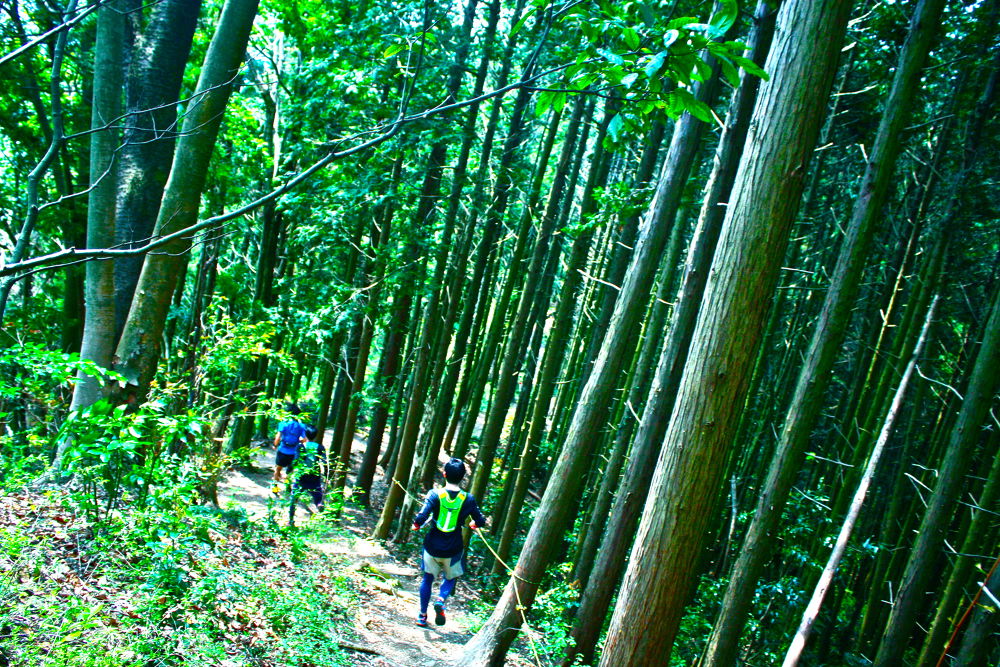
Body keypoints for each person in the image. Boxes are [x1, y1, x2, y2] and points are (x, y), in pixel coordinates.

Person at [411, 457, 487, 628]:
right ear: (463, 477)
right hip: (453, 547)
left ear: (444, 474)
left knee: (428, 579)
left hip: (432, 545)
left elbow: (422, 515)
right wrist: (474, 524)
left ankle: (422, 616)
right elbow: (480, 520)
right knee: (451, 577)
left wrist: (416, 525)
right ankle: (441, 599)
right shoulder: (468, 499)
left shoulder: (434, 494)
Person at [288, 423, 324, 525]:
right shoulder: (320, 447)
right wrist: (327, 475)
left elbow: (295, 460)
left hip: (302, 475)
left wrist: (289, 470)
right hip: (315, 475)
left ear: (305, 434)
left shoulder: (301, 446)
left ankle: (290, 520)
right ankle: (321, 515)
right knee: (318, 496)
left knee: (294, 497)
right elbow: (324, 462)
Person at [272, 403, 307, 493]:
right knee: (290, 471)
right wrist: (298, 442)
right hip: (293, 451)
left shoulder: (283, 424)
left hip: (283, 449)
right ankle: (288, 486)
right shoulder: (301, 426)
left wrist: (275, 445)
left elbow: (278, 437)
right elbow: (304, 439)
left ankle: (275, 487)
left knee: (278, 469)